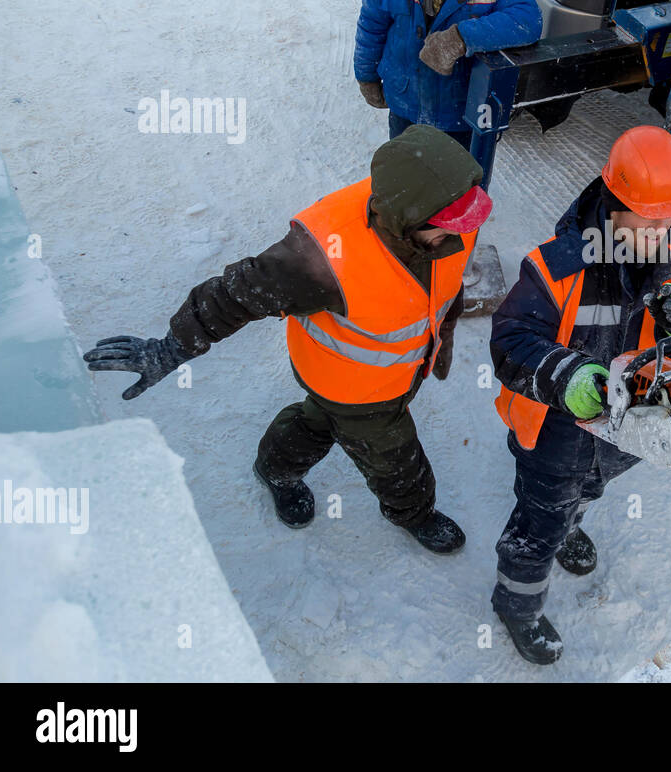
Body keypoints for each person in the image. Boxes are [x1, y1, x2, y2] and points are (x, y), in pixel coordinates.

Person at [82, 126, 490, 553]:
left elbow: (443, 284)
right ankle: (415, 512)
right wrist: (171, 347)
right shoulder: (320, 257)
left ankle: (275, 469)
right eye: (447, 227)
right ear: (410, 215)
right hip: (352, 389)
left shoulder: (442, 220)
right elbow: (237, 294)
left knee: (315, 423)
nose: (460, 235)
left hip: (394, 376)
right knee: (394, 458)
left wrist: (441, 336)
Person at [488, 126, 671, 664]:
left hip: (631, 422)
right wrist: (569, 378)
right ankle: (518, 604)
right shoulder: (561, 265)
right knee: (540, 519)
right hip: (556, 429)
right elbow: (511, 341)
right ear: (615, 205)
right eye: (650, 220)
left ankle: (572, 524)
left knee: (593, 488)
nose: (664, 229)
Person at [354, 0, 542, 183]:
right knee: (406, 179)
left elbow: (527, 21)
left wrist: (461, 37)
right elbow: (371, 26)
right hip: (405, 102)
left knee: (454, 186)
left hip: (460, 109)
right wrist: (365, 75)